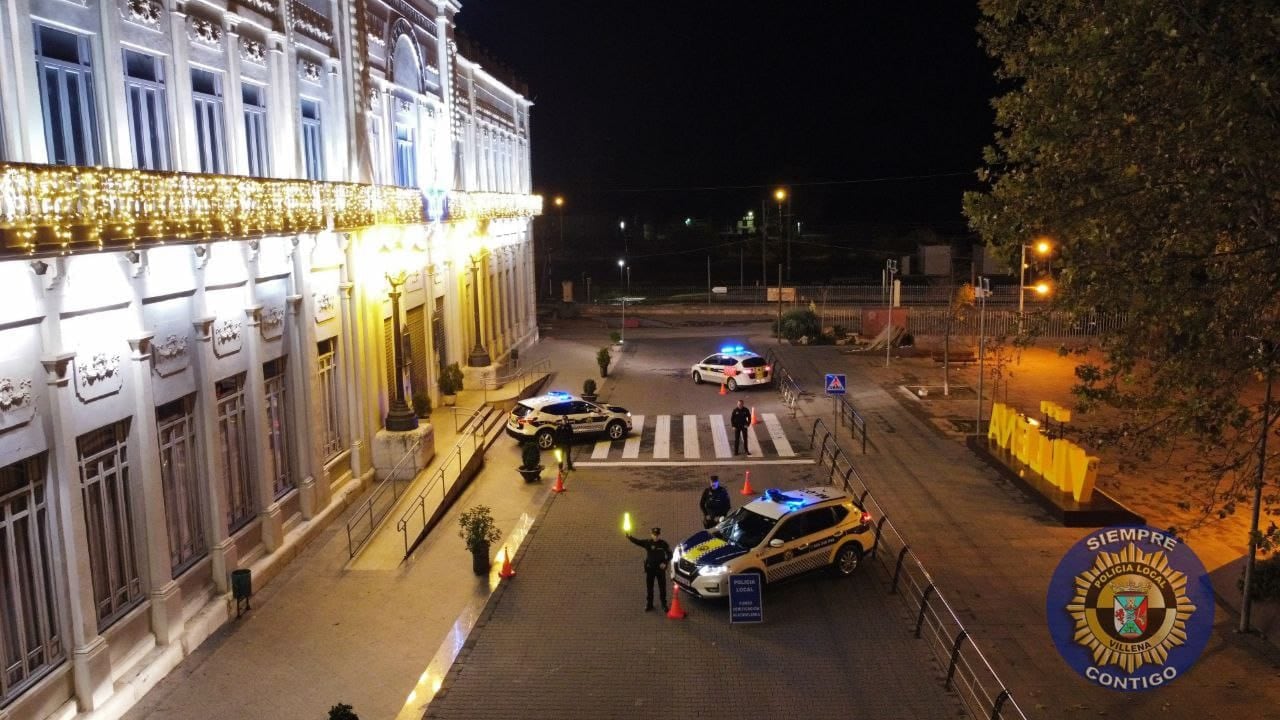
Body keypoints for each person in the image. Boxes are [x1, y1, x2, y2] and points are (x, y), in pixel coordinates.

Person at [626, 527, 671, 612]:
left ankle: (664, 604)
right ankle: (649, 604)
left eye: (657, 535)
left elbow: (670, 554)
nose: (656, 537)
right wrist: (629, 537)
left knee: (662, 587)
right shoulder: (648, 543)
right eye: (654, 535)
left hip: (660, 570)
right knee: (649, 587)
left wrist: (665, 562)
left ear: (659, 535)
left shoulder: (663, 544)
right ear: (651, 535)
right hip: (650, 570)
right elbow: (638, 542)